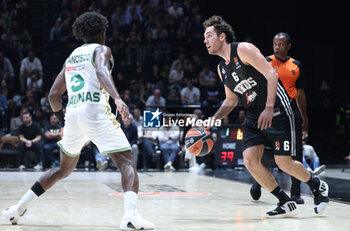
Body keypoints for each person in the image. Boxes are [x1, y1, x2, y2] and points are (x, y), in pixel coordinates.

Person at [2, 12, 154, 230]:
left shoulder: (72, 56)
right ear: (102, 32)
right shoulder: (101, 49)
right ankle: (130, 215)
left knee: (62, 170)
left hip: (73, 113)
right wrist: (118, 98)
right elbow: (102, 70)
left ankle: (18, 208)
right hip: (95, 111)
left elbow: (53, 95)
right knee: (126, 162)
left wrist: (65, 120)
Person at [202, 15, 329, 217]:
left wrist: (269, 108)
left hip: (277, 108)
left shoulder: (243, 49)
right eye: (204, 37)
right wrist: (214, 118)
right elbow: (231, 100)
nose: (205, 41)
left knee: (284, 162)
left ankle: (317, 185)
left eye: (209, 36)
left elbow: (271, 75)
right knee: (250, 160)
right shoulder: (221, 69)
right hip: (254, 115)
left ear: (222, 36)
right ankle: (284, 201)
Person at [250, 32, 309, 204]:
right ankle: (258, 181)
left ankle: (296, 193)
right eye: (275, 43)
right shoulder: (265, 62)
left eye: (281, 44)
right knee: (268, 153)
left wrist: (305, 118)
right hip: (270, 112)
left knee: (295, 154)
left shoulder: (296, 65)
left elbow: (300, 93)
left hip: (291, 113)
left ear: (288, 46)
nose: (277, 47)